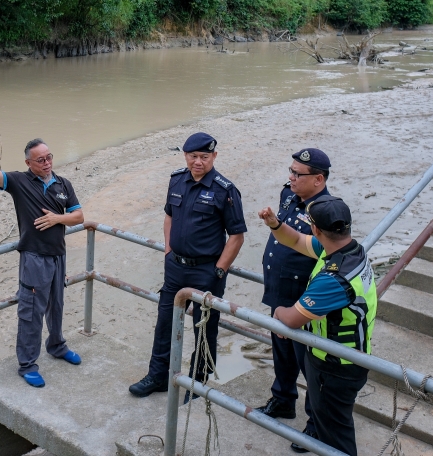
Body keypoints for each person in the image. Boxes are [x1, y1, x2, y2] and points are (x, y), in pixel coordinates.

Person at [129, 132, 247, 398]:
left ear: (214, 157)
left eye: (204, 157)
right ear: (185, 156)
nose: (198, 162)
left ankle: (197, 384)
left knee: (204, 328)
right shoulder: (176, 180)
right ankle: (157, 377)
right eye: (193, 156)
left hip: (207, 271)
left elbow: (237, 237)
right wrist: (169, 250)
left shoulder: (224, 190)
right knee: (165, 324)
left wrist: (219, 270)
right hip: (175, 268)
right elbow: (168, 217)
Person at [259, 195, 377, 456]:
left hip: (334, 367)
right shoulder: (350, 251)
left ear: (315, 228)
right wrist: (275, 225)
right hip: (351, 358)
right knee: (335, 427)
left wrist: (277, 309)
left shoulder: (334, 279)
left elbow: (291, 319)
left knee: (336, 438)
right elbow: (297, 241)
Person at [0, 120, 85, 387]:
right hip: (34, 258)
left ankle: (57, 346)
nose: (47, 163)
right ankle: (27, 364)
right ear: (29, 163)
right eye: (40, 160)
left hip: (58, 256)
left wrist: (56, 219)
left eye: (49, 157)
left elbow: (79, 217)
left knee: (57, 306)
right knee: (31, 311)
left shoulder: (63, 184)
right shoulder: (18, 181)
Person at [255, 148, 332, 452]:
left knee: (309, 361)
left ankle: (315, 424)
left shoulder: (326, 210)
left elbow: (327, 254)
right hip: (279, 289)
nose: (291, 177)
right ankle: (283, 400)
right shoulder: (289, 194)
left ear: (318, 179)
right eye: (290, 171)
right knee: (282, 351)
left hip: (303, 297)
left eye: (297, 174)